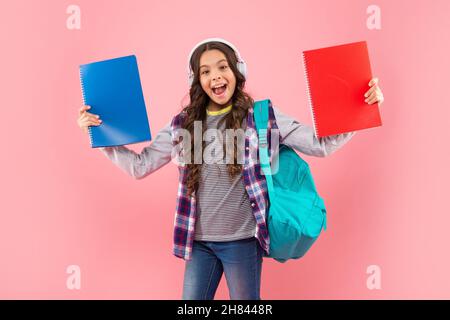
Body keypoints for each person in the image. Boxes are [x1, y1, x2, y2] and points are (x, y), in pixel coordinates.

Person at [76, 38, 384, 300]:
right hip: (198, 244)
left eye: (223, 67)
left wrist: (361, 107)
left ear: (237, 71)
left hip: (242, 242)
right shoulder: (181, 125)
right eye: (205, 71)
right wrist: (102, 138)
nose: (216, 76)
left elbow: (321, 145)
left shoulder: (262, 117)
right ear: (197, 80)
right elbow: (140, 166)